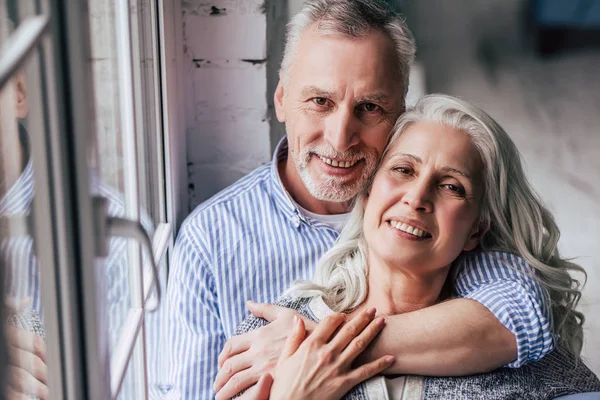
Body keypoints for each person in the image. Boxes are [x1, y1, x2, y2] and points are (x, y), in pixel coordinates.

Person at [166, 1, 554, 398]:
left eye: (369, 107)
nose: (339, 138)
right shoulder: (211, 238)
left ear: (400, 111)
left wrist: (319, 346)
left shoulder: (431, 222)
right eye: (320, 101)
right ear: (282, 97)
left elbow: (521, 318)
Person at [234, 94, 600, 399]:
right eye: (403, 170)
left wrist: (336, 345)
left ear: (476, 230)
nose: (417, 198)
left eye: (451, 186)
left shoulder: (519, 356)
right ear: (366, 193)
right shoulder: (270, 336)